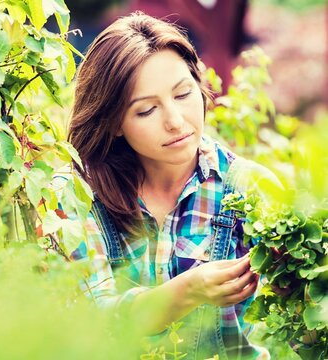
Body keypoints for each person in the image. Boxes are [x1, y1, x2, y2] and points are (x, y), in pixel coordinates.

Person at [66, 11, 281, 360]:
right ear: (114, 122)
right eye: (147, 111)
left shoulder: (249, 187)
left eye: (183, 94)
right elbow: (87, 322)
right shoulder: (78, 194)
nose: (175, 121)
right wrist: (187, 292)